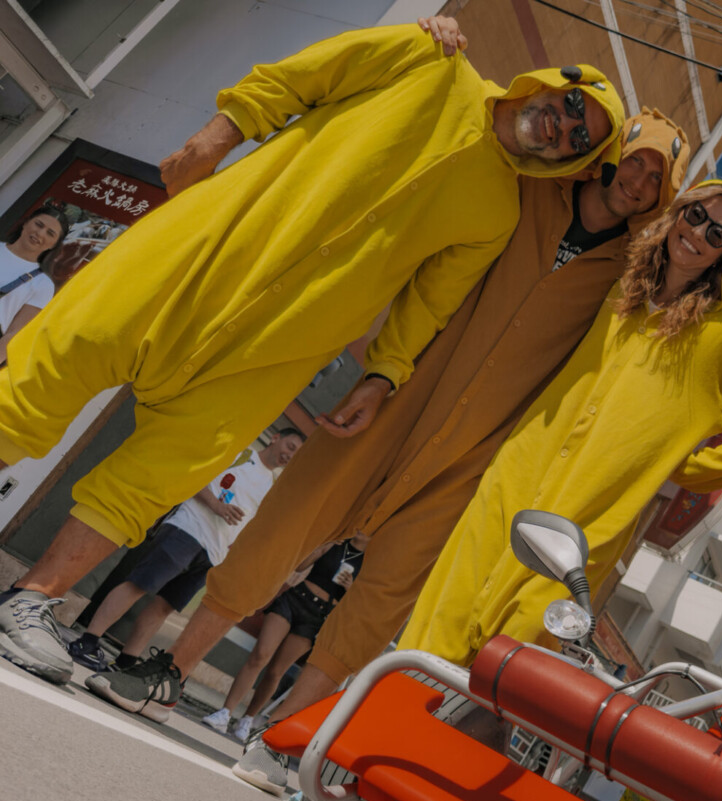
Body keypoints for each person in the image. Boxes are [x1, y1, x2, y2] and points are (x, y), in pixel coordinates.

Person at [0, 19, 624, 686]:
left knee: (158, 474)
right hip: (199, 255)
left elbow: (427, 305)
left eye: (580, 136)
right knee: (42, 377)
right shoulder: (430, 60)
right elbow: (299, 78)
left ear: (572, 162)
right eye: (567, 104)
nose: (562, 125)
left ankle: (30, 601)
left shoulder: (497, 212)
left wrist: (381, 376)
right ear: (546, 85)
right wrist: (216, 134)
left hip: (281, 345)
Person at [88, 108, 695, 731]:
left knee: (382, 598)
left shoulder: (627, 280)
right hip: (393, 396)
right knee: (280, 527)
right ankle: (172, 672)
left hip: (472, 455)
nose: (641, 182)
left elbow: (676, 322)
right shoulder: (530, 189)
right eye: (639, 162)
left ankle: (287, 734)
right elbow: (478, 124)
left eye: (657, 180)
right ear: (613, 156)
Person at [244, 180, 722, 791]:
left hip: (582, 528)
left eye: (718, 233)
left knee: (506, 661)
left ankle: (406, 789)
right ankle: (340, 760)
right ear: (676, 215)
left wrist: (688, 470)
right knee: (436, 629)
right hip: (516, 479)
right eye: (695, 215)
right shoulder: (621, 293)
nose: (699, 234)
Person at [65, 430, 303, 698]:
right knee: (138, 585)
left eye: (295, 453)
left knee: (164, 606)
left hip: (214, 554)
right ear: (275, 438)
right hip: (187, 530)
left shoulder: (271, 487)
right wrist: (216, 505)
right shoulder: (239, 454)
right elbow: (196, 477)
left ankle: (124, 663)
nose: (289, 454)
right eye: (290, 445)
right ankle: (86, 642)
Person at [201, 535, 366, 743]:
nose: (364, 528)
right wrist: (322, 547)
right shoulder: (337, 543)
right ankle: (224, 712)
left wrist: (350, 588)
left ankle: (247, 719)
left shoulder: (367, 564)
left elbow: (358, 605)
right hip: (296, 598)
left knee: (276, 671)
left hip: (317, 616)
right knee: (260, 655)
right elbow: (300, 567)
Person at [0, 205, 68, 360]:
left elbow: (13, 335)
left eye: (50, 233)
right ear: (26, 223)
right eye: (39, 224)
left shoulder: (42, 284)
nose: (40, 233)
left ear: (53, 245)